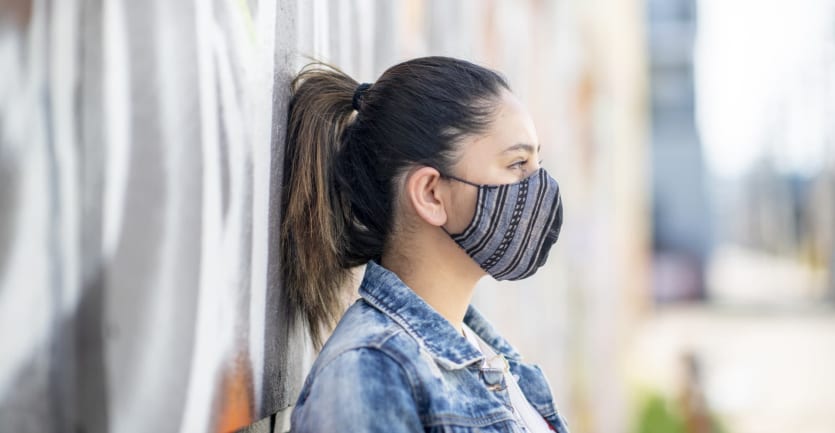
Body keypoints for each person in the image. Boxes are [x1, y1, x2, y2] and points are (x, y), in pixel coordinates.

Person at [282, 56, 569, 433]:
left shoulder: (484, 355)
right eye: (517, 164)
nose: (540, 187)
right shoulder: (372, 374)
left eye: (537, 164)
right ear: (432, 194)